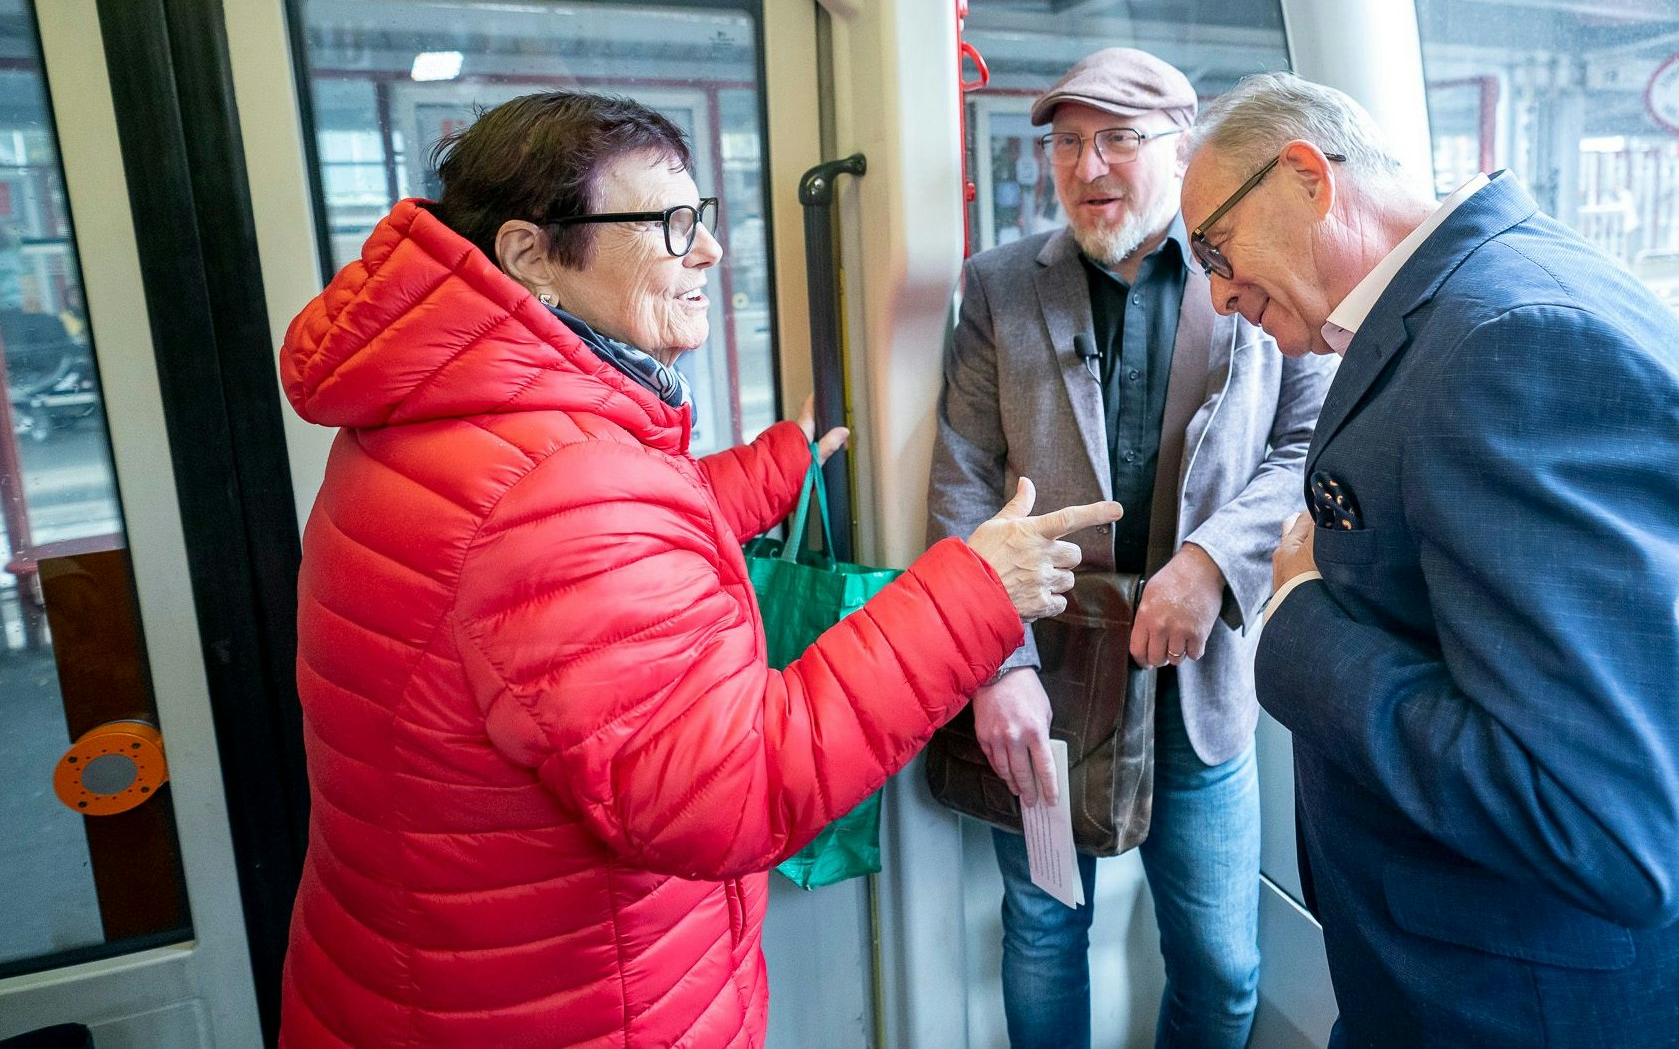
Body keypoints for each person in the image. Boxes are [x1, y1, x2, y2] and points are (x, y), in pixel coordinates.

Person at [277, 91, 1119, 1048]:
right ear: (530, 256)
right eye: (670, 225)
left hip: (437, 980)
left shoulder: (444, 422)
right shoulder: (555, 487)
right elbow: (732, 784)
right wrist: (972, 592)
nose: (710, 252)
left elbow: (583, 592)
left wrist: (775, 466)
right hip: (583, 1003)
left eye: (701, 219)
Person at [1180, 72, 1679, 1048]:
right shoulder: (1462, 313)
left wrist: (1297, 623)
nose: (1217, 294)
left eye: (1213, 248)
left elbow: (1601, 822)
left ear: (1305, 178)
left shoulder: (1519, 343)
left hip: (1560, 1006)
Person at [928, 49, 1333, 1048]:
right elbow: (961, 480)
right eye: (1067, 143)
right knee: (1042, 927)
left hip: (1195, 693)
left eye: (1116, 138)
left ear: (1179, 147)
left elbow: (1308, 447)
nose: (1086, 165)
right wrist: (995, 666)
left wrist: (1211, 562)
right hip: (1047, 696)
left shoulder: (1251, 274)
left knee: (1222, 967)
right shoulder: (998, 288)